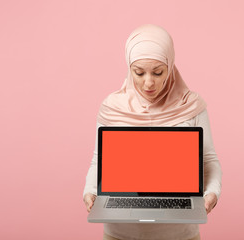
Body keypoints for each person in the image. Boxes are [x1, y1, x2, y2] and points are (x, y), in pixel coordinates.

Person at [83, 24, 222, 240]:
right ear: (129, 67)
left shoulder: (191, 105)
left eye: (158, 72)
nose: (149, 83)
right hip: (120, 233)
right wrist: (89, 191)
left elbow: (209, 160)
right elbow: (97, 161)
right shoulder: (112, 107)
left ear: (170, 65)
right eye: (139, 73)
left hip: (179, 234)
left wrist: (212, 192)